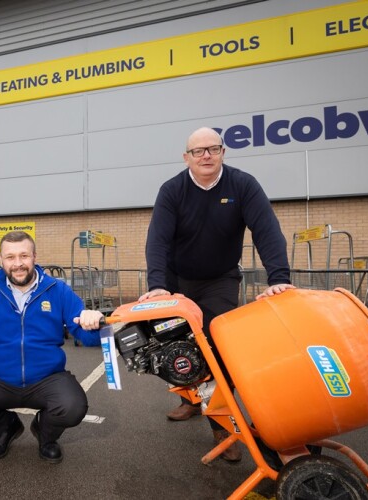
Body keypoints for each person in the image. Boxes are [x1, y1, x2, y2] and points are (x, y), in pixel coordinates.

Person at [140, 126, 295, 462]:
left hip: (219, 279)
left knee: (217, 349)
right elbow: (158, 240)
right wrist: (156, 285)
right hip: (176, 280)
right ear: (187, 158)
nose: (206, 155)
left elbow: (267, 230)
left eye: (213, 148)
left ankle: (221, 423)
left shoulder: (243, 184)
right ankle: (189, 402)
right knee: (178, 347)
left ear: (223, 152)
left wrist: (279, 277)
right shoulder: (172, 190)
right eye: (198, 151)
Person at [0, 231, 104, 464]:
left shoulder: (57, 290)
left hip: (47, 378)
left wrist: (93, 323)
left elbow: (88, 338)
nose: (17, 264)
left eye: (23, 256)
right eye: (10, 257)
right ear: (1, 261)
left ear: (34, 256)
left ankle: (45, 434)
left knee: (73, 406)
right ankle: (5, 430)